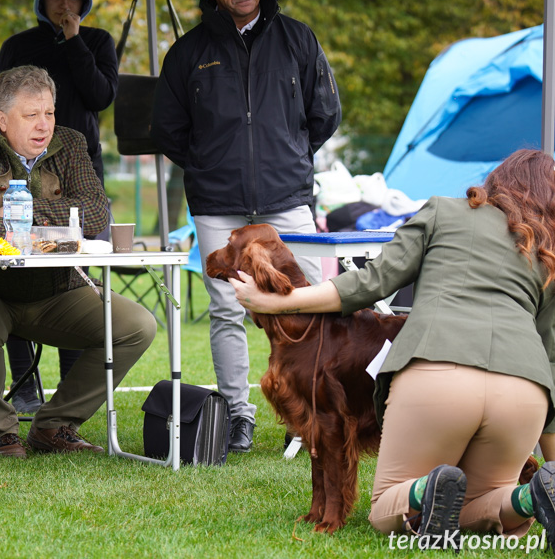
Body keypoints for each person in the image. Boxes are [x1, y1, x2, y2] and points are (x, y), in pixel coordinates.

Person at [230, 148, 555, 545]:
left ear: (497, 181)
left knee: (388, 509)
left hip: (439, 374)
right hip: (523, 393)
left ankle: (424, 489)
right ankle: (528, 497)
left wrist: (279, 301)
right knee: (484, 502)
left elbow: (371, 283)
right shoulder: (547, 253)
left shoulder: (442, 211)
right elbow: (549, 354)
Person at [150, 0, 341, 452]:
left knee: (312, 302)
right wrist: (210, 165)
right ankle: (238, 417)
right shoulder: (187, 51)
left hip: (287, 198)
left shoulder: (299, 39)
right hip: (217, 202)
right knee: (227, 310)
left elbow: (325, 114)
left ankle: (312, 413)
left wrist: (288, 157)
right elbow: (168, 130)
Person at [0, 65, 156, 458]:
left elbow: (94, 215)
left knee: (136, 326)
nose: (44, 125)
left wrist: (18, 216)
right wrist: (59, 220)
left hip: (57, 290)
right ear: (1, 120)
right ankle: (0, 432)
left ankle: (55, 424)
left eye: (49, 113)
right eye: (31, 115)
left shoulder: (71, 143)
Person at [0, 0, 118, 413]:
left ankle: (68, 392)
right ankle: (24, 385)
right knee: (18, 265)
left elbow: (101, 96)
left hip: (75, 169)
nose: (65, 4)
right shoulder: (19, 45)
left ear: (85, 1)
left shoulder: (97, 42)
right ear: (41, 0)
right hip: (15, 171)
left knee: (71, 269)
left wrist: (75, 40)